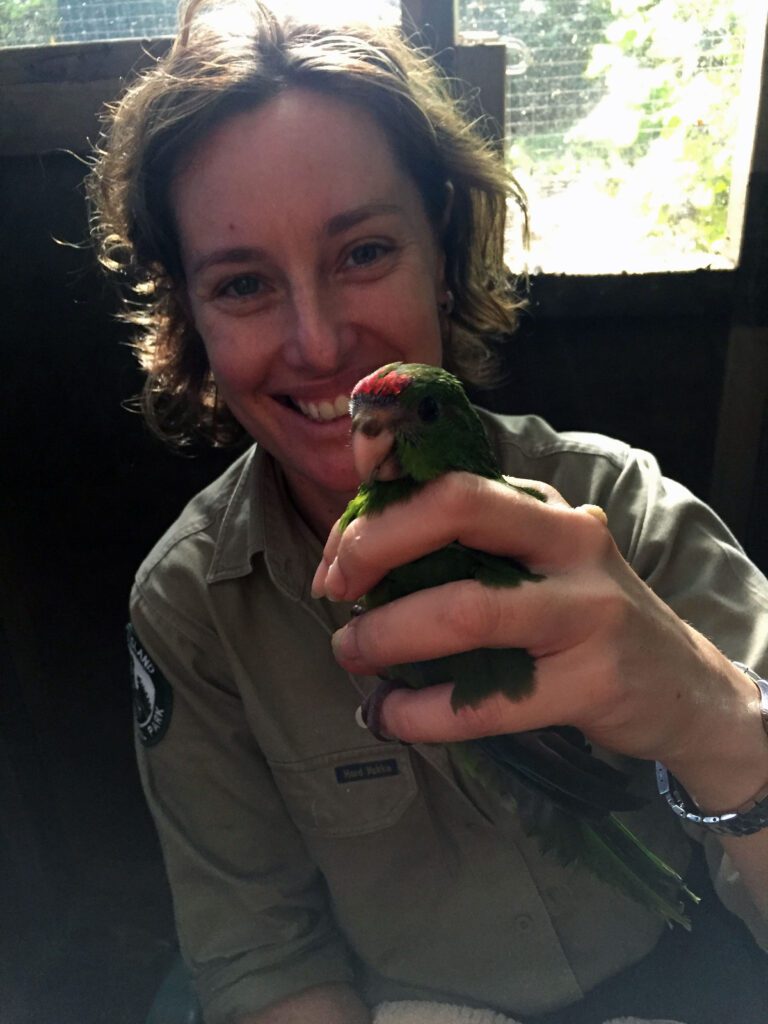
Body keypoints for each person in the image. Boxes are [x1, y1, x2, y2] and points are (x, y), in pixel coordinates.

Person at [87, 1, 768, 1022]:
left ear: (442, 253)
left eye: (363, 252)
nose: (320, 345)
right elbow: (265, 960)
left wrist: (717, 723)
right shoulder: (192, 611)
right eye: (242, 283)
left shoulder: (619, 506)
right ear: (191, 322)